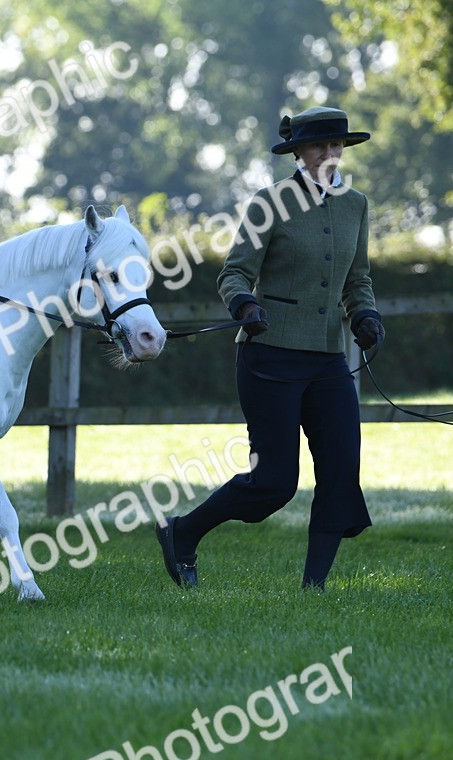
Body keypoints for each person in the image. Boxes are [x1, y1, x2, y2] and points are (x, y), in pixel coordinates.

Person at [155, 106, 386, 591]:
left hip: (329, 361)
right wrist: (243, 304)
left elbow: (357, 280)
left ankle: (314, 588)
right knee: (275, 483)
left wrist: (364, 315)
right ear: (298, 152)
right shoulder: (270, 202)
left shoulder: (356, 205)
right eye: (318, 146)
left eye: (336, 145)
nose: (329, 154)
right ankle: (182, 532)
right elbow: (234, 272)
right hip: (270, 355)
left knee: (342, 471)